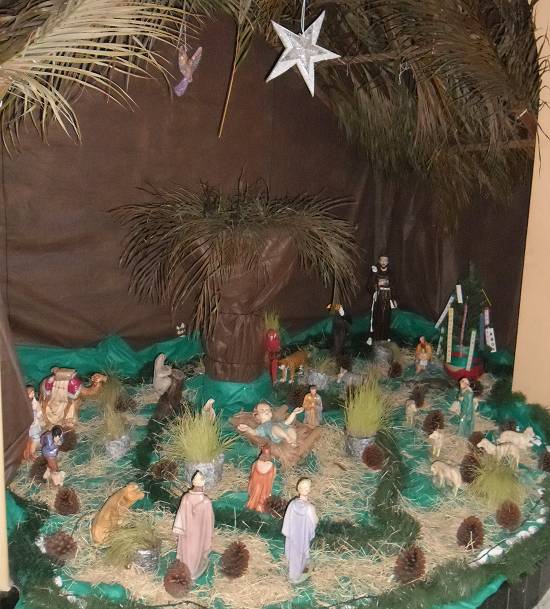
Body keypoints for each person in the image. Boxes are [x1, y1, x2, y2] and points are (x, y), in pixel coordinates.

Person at [173, 471, 215, 580]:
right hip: (199, 534)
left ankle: (187, 569)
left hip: (187, 532)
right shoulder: (206, 502)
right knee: (196, 550)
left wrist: (179, 529)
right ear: (203, 485)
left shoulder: (186, 498)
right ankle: (193, 570)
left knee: (187, 549)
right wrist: (208, 534)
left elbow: (180, 516)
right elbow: (209, 521)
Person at [282, 478, 318, 584]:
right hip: (302, 536)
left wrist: (288, 532)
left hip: (293, 535)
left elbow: (287, 519)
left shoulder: (292, 504)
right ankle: (294, 576)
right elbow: (315, 520)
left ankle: (297, 568)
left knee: (294, 552)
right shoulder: (310, 508)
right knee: (301, 553)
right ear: (308, 490)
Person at [238, 402, 303, 447]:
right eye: (262, 410)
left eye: (268, 410)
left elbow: (287, 422)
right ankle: (287, 438)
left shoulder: (276, 422)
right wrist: (247, 428)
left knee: (291, 429)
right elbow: (254, 432)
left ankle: (293, 442)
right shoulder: (262, 427)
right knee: (275, 428)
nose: (266, 411)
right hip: (274, 435)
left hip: (282, 428)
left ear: (271, 413)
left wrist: (294, 413)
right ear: (257, 416)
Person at [367, 255, 396, 345]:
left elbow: (394, 285)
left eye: (385, 260)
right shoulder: (375, 272)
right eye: (382, 260)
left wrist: (393, 298)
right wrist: (375, 288)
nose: (383, 262)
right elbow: (370, 284)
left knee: (386, 317)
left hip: (387, 297)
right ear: (379, 261)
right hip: (378, 297)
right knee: (377, 317)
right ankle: (374, 337)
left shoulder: (391, 273)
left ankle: (385, 337)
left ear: (388, 262)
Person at [246, 447, 276, 512]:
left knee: (256, 493)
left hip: (256, 487)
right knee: (263, 495)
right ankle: (259, 505)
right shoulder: (272, 466)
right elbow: (272, 478)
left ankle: (254, 504)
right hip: (264, 488)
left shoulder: (255, 463)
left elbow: (251, 476)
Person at [22, 386, 43, 461]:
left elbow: (39, 411)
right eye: (31, 393)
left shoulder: (35, 403)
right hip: (27, 425)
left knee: (36, 438)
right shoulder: (23, 403)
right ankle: (28, 454)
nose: (33, 394)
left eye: (33, 393)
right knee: (29, 439)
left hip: (34, 423)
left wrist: (39, 415)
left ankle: (32, 453)